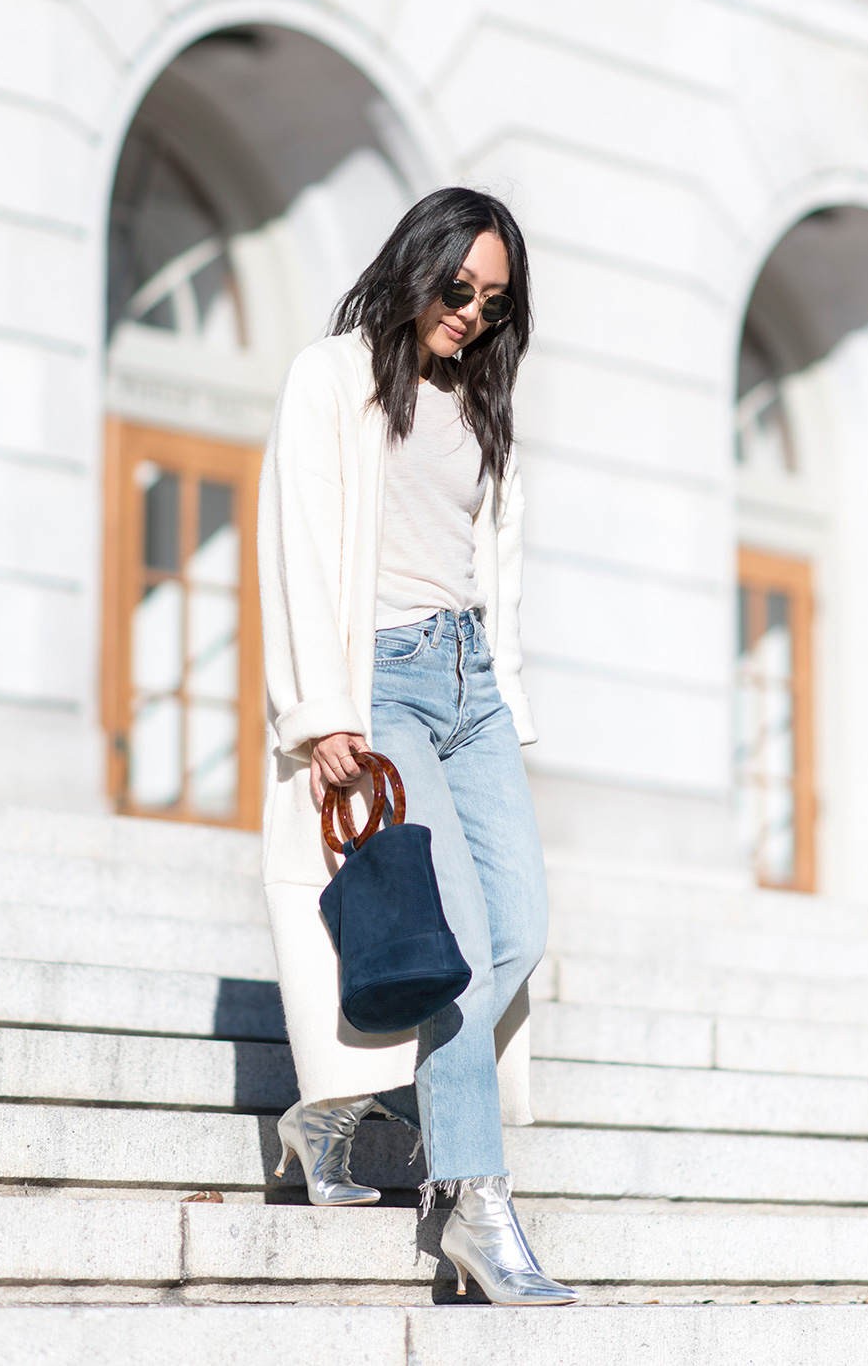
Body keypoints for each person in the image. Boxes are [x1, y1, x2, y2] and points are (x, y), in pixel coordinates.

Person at [257, 187, 577, 1306]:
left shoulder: (477, 399)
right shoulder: (333, 377)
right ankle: (473, 1201)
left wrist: (505, 685)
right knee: (457, 932)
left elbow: (494, 565)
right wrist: (319, 708)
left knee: (520, 927)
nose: (472, 314)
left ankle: (335, 1110)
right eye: (459, 289)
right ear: (419, 263)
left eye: (493, 302)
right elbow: (297, 537)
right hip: (378, 678)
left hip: (469, 682)